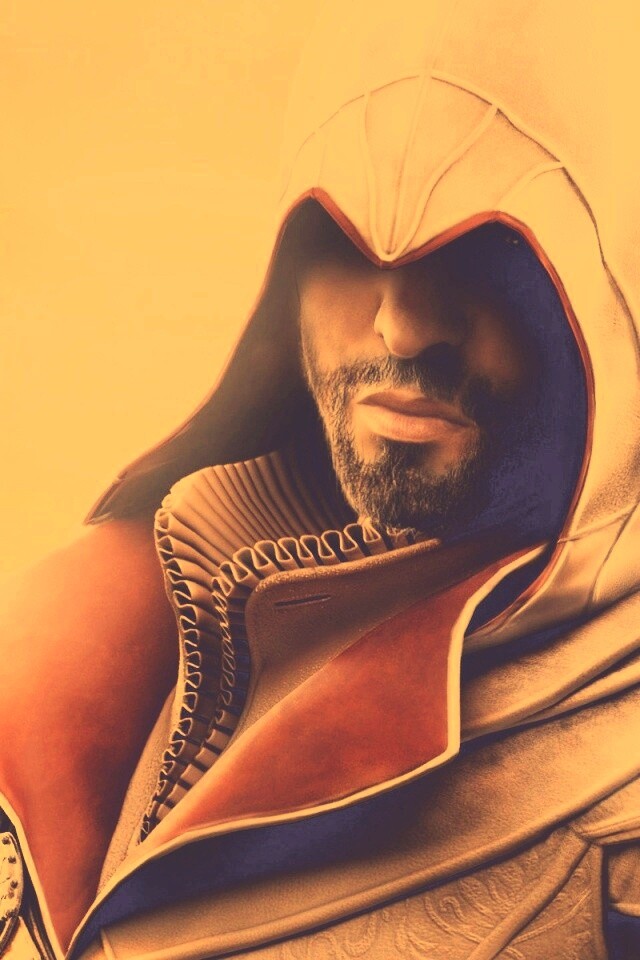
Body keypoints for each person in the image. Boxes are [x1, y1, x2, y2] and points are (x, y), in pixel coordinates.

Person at [1, 0, 639, 957]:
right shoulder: (62, 633)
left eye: (487, 252)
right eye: (345, 240)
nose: (402, 327)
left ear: (605, 293)